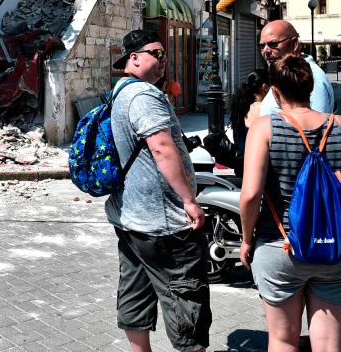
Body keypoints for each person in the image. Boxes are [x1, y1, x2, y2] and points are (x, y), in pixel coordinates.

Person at [238, 54, 341, 352]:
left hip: (280, 246)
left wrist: (246, 240)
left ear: (275, 92)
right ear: (311, 86)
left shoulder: (264, 129)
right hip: (337, 251)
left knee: (282, 339)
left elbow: (250, 195)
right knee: (329, 344)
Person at [105, 29, 211, 352]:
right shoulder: (143, 96)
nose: (164, 60)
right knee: (186, 302)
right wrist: (189, 201)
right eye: (156, 53)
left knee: (135, 298)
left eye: (165, 54)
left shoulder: (120, 92)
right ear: (133, 59)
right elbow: (162, 148)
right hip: (163, 224)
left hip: (132, 221)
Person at [257, 21, 334, 117]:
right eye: (262, 46)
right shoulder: (287, 73)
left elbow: (314, 127)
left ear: (294, 44)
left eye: (273, 44)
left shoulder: (310, 77)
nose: (265, 51)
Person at [202, 69, 269, 176]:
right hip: (255, 169)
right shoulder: (263, 109)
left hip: (240, 166)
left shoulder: (241, 106)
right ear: (264, 87)